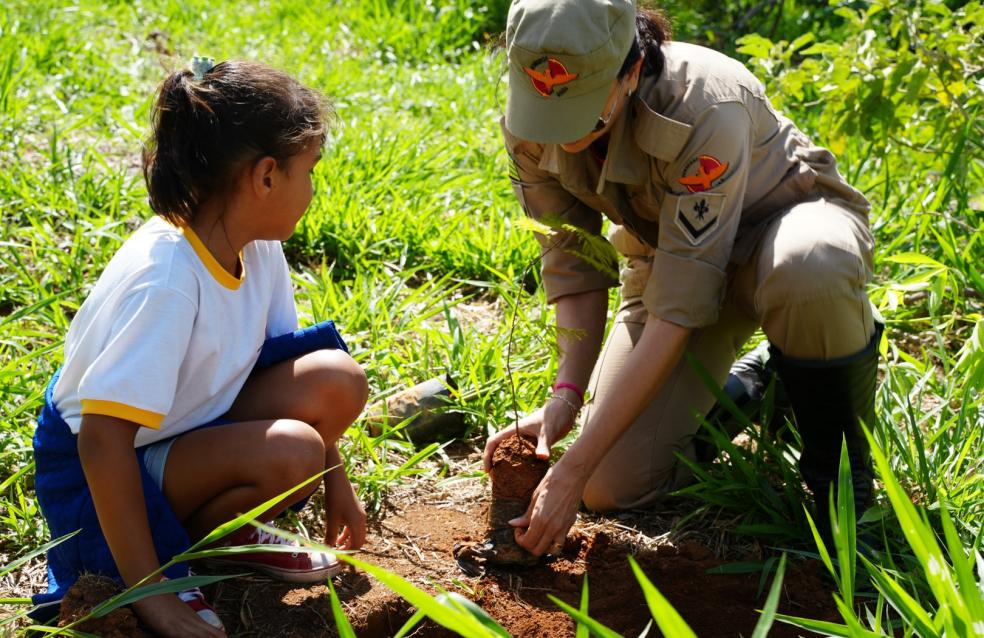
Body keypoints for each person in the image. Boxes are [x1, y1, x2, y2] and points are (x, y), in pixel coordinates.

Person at [484, 0, 881, 557]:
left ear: (632, 70)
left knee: (810, 267)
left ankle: (840, 477)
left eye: (583, 110)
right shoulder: (528, 125)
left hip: (775, 238)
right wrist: (565, 401)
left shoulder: (705, 104)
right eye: (545, 109)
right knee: (611, 483)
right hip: (669, 263)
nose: (559, 131)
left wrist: (568, 470)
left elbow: (679, 309)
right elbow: (576, 262)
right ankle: (767, 381)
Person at [31, 58, 368, 636]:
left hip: (184, 427)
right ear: (265, 177)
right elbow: (101, 441)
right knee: (294, 452)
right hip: (103, 471)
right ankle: (163, 563)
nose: (312, 188)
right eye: (308, 170)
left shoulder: (255, 245)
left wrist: (338, 481)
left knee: (337, 379)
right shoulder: (166, 279)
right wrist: (152, 596)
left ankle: (230, 534)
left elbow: (284, 365)